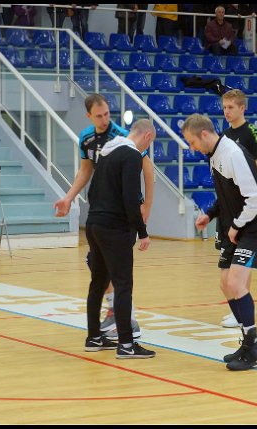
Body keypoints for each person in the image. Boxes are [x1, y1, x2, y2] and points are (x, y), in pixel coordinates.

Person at [54, 93, 154, 339]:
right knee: (98, 265)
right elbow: (85, 170)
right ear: (89, 116)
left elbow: (148, 171)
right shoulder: (86, 138)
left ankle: (125, 319)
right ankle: (114, 315)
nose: (105, 119)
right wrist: (68, 197)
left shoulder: (122, 137)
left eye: (107, 114)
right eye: (99, 116)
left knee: (116, 270)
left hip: (123, 213)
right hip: (103, 208)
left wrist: (146, 207)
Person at [182, 114, 257, 371]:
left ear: (204, 134)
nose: (192, 148)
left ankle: (252, 346)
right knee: (225, 284)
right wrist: (210, 214)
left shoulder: (232, 154)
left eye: (192, 142)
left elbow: (255, 199)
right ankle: (248, 341)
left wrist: (236, 226)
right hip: (236, 227)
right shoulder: (215, 155)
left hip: (254, 226)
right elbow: (227, 196)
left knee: (235, 283)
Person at [85, 119, 156, 359]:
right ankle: (126, 344)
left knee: (97, 283)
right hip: (114, 228)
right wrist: (142, 232)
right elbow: (130, 197)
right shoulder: (132, 155)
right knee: (123, 285)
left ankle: (94, 337)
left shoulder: (107, 152)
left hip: (94, 223)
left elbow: (91, 192)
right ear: (147, 136)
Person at [220, 89, 257, 328]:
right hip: (231, 207)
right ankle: (238, 307)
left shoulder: (252, 133)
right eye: (224, 107)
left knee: (243, 259)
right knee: (230, 262)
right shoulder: (225, 135)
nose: (227, 112)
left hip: (249, 205)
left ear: (242, 108)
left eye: (231, 107)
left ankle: (242, 307)